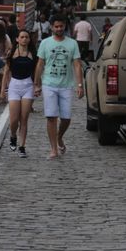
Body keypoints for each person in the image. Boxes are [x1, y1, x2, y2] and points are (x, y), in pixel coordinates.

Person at [34, 14, 84, 160]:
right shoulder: (45, 43)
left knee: (66, 118)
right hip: (49, 84)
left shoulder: (72, 44)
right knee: (51, 117)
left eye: (61, 26)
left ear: (65, 27)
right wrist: (36, 84)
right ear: (51, 27)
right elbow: (40, 64)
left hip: (66, 85)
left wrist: (80, 84)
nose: (59, 29)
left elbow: (76, 65)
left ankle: (59, 137)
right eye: (56, 26)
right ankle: (53, 148)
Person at [0, 29, 36, 158]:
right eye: (22, 37)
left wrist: (38, 85)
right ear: (17, 39)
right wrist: (3, 90)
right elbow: (6, 72)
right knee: (14, 119)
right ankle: (13, 135)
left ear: (29, 39)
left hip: (28, 87)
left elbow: (37, 72)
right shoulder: (12, 53)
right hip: (14, 86)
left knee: (24, 118)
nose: (24, 39)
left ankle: (22, 146)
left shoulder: (33, 54)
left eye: (26, 37)